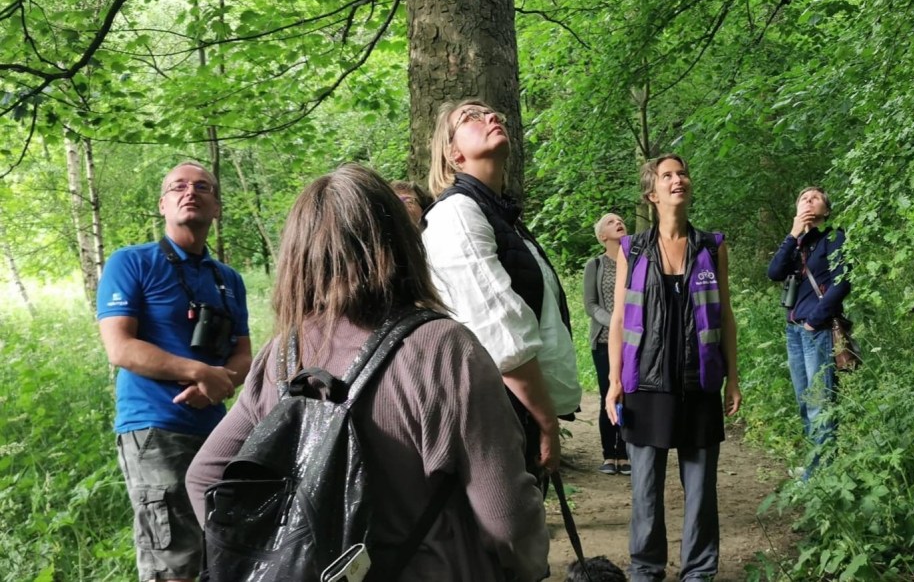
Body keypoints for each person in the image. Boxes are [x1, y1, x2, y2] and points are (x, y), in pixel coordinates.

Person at [186, 164, 549, 582]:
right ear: (400, 242)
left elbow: (205, 476)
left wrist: (266, 559)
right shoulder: (444, 349)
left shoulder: (280, 356)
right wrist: (530, 568)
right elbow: (507, 519)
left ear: (297, 256)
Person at [97, 161, 252, 582]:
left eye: (203, 187)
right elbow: (120, 347)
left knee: (221, 552)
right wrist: (200, 372)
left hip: (217, 432)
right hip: (155, 429)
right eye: (178, 187)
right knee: (173, 561)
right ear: (163, 204)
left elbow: (243, 354)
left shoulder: (228, 279)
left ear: (217, 207)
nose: (190, 192)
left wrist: (220, 382)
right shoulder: (131, 262)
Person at [421, 98, 582, 478]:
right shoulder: (456, 214)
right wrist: (546, 422)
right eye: (471, 117)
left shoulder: (500, 216)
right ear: (453, 154)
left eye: (493, 114)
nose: (491, 117)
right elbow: (499, 330)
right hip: (487, 417)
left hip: (512, 411)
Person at [606, 154, 742, 582]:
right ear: (652, 194)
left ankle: (698, 571)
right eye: (667, 176)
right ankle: (646, 570)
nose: (677, 179)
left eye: (682, 173)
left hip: (700, 382)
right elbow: (618, 319)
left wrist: (733, 378)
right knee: (646, 490)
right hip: (645, 385)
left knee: (700, 491)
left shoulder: (711, 246)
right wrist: (613, 380)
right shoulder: (633, 249)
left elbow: (725, 316)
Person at [766, 186, 850, 479]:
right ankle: (815, 466)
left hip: (817, 330)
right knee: (805, 401)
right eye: (803, 198)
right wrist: (792, 234)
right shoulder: (796, 243)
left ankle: (821, 475)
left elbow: (842, 282)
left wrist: (815, 320)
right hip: (794, 332)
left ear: (826, 210)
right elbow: (774, 273)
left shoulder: (833, 238)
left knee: (819, 403)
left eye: (815, 198)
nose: (808, 201)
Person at [583, 213, 630, 476]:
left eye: (620, 220)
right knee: (608, 394)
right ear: (602, 236)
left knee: (630, 396)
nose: (619, 223)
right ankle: (609, 454)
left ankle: (625, 453)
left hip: (633, 341)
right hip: (603, 341)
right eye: (611, 222)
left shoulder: (636, 261)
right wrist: (614, 323)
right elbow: (590, 305)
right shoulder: (595, 265)